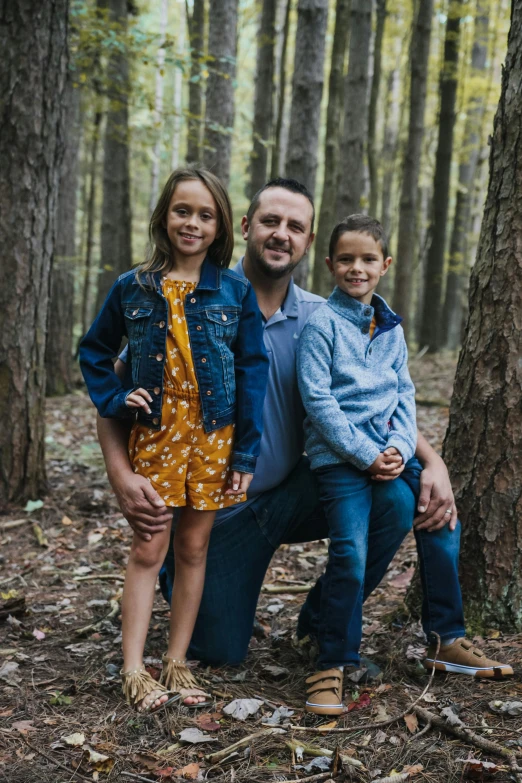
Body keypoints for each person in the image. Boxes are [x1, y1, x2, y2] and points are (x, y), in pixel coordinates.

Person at [98, 177, 513, 685]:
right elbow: (118, 391)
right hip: (219, 510)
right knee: (221, 649)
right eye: (270, 221)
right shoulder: (201, 299)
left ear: (310, 244)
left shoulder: (325, 318)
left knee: (395, 499)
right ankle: (176, 573)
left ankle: (326, 624)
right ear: (247, 227)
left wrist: (433, 462)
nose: (281, 234)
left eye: (296, 226)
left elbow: (373, 398)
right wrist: (121, 475)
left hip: (295, 490)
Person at [79, 168, 269, 712]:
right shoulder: (132, 286)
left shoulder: (235, 290)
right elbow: (94, 351)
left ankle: (177, 661)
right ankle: (136, 668)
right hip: (158, 435)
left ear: (221, 225)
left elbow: (252, 372)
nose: (193, 223)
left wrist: (246, 452)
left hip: (213, 437)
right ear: (165, 215)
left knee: (193, 547)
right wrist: (116, 401)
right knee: (149, 545)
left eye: (206, 215)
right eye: (183, 210)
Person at [297, 215, 423, 714]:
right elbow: (318, 400)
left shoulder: (390, 328)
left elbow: (404, 393)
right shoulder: (321, 325)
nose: (356, 268)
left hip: (384, 456)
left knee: (396, 517)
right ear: (329, 264)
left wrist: (399, 446)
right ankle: (333, 660)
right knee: (349, 550)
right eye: (346, 259)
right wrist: (365, 454)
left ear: (385, 265)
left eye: (367, 259)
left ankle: (318, 620)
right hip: (339, 460)